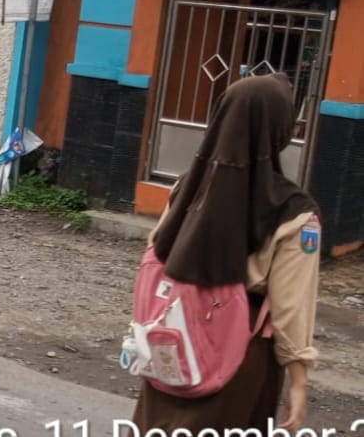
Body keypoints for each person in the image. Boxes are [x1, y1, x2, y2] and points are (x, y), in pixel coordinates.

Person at [129, 73, 320, 433]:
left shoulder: (187, 187)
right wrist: (299, 381)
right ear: (280, 131)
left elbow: (159, 249)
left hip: (174, 337)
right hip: (240, 353)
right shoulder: (295, 213)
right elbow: (291, 305)